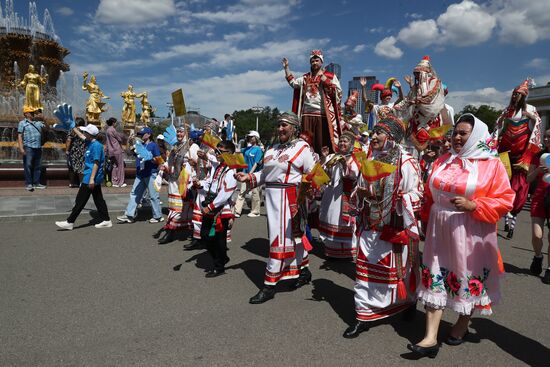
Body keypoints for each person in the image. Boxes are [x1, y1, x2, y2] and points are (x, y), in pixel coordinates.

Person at [408, 114, 514, 358]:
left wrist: (474, 205)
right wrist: (425, 218)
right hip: (439, 228)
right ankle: (430, 337)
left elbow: (505, 200)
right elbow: (429, 192)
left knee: (467, 277)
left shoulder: (491, 164)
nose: (457, 137)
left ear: (475, 136)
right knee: (435, 275)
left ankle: (463, 324)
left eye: (463, 133)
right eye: (455, 132)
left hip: (471, 231)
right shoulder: (443, 160)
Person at [343, 116, 423, 338]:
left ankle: (408, 303)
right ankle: (363, 314)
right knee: (364, 274)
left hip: (393, 228)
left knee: (399, 274)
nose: (374, 136)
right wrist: (359, 194)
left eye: (380, 132)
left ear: (393, 138)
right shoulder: (369, 160)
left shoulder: (406, 162)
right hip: (370, 226)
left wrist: (399, 199)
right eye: (374, 131)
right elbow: (359, 187)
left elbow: (418, 195)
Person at [236, 112, 316, 304]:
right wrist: (249, 178)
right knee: (292, 238)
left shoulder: (302, 147)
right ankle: (303, 271)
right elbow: (265, 173)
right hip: (271, 196)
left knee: (279, 240)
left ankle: (269, 284)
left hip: (289, 199)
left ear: (294, 128)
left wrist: (306, 194)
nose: (280, 129)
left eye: (285, 125)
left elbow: (313, 174)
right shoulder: (272, 148)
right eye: (279, 125)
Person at [495, 79, 542, 239]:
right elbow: (498, 127)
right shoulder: (507, 110)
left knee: (519, 190)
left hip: (522, 156)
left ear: (524, 96)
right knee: (504, 187)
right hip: (505, 155)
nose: (515, 96)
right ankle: (506, 218)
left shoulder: (531, 109)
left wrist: (531, 117)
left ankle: (512, 220)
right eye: (514, 94)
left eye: (519, 94)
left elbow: (538, 125)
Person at [283, 50, 342, 153]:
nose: (314, 63)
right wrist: (286, 68)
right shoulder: (305, 78)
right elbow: (293, 83)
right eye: (312, 61)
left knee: (322, 144)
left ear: (321, 62)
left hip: (323, 114)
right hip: (306, 114)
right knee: (305, 143)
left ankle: (321, 166)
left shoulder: (330, 76)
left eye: (317, 60)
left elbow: (338, 94)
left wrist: (326, 81)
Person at [55, 124, 112, 230]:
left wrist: (91, 179)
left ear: (90, 134)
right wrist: (72, 126)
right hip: (90, 175)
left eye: (86, 132)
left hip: (91, 176)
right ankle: (106, 220)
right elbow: (81, 136)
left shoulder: (96, 146)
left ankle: (70, 222)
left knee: (80, 200)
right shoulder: (90, 142)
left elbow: (96, 163)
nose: (84, 133)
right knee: (98, 199)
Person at [194, 140, 237, 277]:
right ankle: (222, 258)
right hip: (211, 205)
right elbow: (212, 184)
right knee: (205, 236)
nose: (216, 154)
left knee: (219, 238)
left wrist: (211, 206)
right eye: (216, 151)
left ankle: (219, 266)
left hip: (220, 209)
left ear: (229, 153)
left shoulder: (232, 170)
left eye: (219, 151)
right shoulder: (219, 167)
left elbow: (225, 193)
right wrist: (200, 184)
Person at [318, 131, 360, 259]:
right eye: (340, 141)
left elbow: (354, 176)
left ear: (352, 145)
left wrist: (344, 165)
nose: (342, 143)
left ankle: (347, 253)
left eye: (345, 141)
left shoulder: (355, 159)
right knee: (331, 218)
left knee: (344, 222)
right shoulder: (332, 157)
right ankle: (331, 251)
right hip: (331, 194)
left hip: (345, 195)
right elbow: (323, 175)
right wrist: (324, 157)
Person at [158, 126, 197, 245]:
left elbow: (199, 164)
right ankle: (174, 230)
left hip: (186, 181)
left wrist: (193, 164)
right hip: (174, 180)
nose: (179, 134)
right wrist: (164, 166)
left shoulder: (192, 147)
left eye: (182, 132)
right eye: (178, 132)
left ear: (187, 133)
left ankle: (175, 232)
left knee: (185, 207)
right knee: (175, 206)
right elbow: (170, 161)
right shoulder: (175, 146)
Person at [117, 127, 164, 224]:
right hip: (140, 174)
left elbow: (159, 160)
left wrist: (150, 158)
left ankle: (158, 216)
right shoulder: (139, 145)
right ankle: (129, 215)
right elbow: (129, 153)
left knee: (153, 196)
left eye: (143, 134)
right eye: (140, 134)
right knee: (134, 194)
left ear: (149, 134)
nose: (141, 135)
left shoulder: (153, 145)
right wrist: (128, 141)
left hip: (151, 173)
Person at [527, 128, 550, 284]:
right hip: (539, 198)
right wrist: (538, 172)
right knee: (537, 235)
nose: (547, 139)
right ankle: (538, 257)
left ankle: (549, 269)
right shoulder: (538, 156)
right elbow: (528, 179)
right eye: (546, 136)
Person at [234, 130, 263, 218]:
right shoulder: (246, 149)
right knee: (242, 193)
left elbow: (256, 163)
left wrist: (250, 174)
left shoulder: (258, 150)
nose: (250, 138)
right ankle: (237, 211)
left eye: (251, 137)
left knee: (255, 193)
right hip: (245, 174)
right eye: (249, 137)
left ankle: (255, 211)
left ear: (256, 138)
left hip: (254, 175)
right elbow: (237, 151)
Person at [17, 108, 46, 191]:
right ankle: (29, 183)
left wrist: (44, 119)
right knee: (28, 165)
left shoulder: (38, 123)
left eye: (34, 113)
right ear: (26, 114)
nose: (34, 114)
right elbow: (19, 136)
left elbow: (47, 129)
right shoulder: (22, 123)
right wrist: (21, 148)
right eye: (31, 112)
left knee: (38, 166)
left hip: (38, 147)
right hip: (28, 147)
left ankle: (36, 183)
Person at [105, 117, 126, 187]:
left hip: (111, 150)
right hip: (117, 149)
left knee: (114, 166)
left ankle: (114, 181)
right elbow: (119, 139)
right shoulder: (113, 130)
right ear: (113, 123)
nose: (117, 123)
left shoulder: (107, 130)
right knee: (120, 166)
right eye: (116, 122)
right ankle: (120, 182)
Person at [66, 117, 87, 187]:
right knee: (81, 167)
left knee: (72, 167)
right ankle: (81, 182)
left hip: (74, 151)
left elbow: (69, 140)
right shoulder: (86, 130)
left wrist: (67, 150)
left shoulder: (73, 130)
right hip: (83, 151)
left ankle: (71, 183)